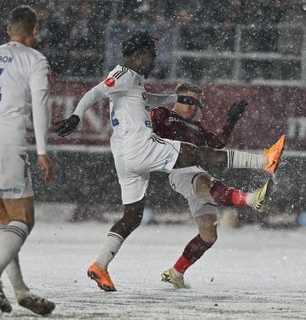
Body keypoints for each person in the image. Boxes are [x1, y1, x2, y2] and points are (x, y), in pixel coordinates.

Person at [55, 31, 286, 292]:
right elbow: (95, 92)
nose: (155, 61)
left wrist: (177, 98)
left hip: (125, 157)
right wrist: (76, 116)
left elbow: (147, 100)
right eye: (152, 56)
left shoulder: (134, 82)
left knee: (132, 216)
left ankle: (100, 265)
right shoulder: (122, 75)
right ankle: (264, 161)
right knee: (196, 155)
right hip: (141, 147)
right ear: (139, 54)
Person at [149, 82, 271, 288]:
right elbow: (140, 122)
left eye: (196, 103)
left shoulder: (196, 127)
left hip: (197, 172)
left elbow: (217, 143)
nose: (193, 107)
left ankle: (176, 272)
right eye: (188, 101)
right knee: (205, 182)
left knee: (209, 235)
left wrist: (231, 121)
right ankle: (252, 198)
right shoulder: (162, 115)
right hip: (179, 172)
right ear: (176, 99)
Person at [0, 5, 56, 316]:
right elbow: (40, 107)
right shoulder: (35, 59)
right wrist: (42, 151)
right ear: (34, 32)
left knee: (5, 223)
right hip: (7, 143)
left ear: (9, 30)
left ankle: (19, 290)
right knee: (24, 220)